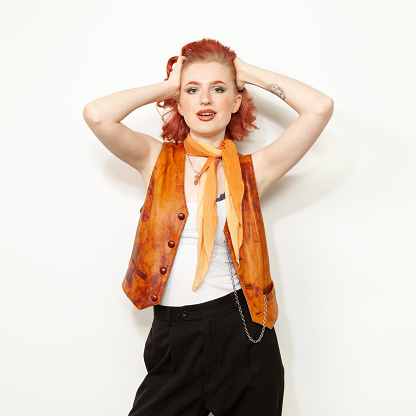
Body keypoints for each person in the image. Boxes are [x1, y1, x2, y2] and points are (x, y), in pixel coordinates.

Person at [83, 38, 333, 416]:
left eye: (218, 89)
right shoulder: (155, 159)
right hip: (172, 334)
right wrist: (168, 86)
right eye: (192, 90)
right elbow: (97, 115)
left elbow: (319, 108)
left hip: (242, 332)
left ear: (235, 102)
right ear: (179, 104)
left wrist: (245, 73)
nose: (205, 100)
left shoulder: (253, 171)